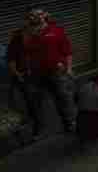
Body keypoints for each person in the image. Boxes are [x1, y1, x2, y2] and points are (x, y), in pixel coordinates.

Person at [7, 9, 76, 137]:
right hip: (31, 76)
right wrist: (16, 73)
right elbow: (11, 56)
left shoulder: (56, 30)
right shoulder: (20, 35)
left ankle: (70, 123)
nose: (35, 17)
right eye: (31, 15)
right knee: (34, 104)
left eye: (39, 14)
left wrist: (69, 69)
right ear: (27, 19)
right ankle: (39, 129)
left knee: (63, 99)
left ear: (45, 16)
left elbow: (67, 50)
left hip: (55, 72)